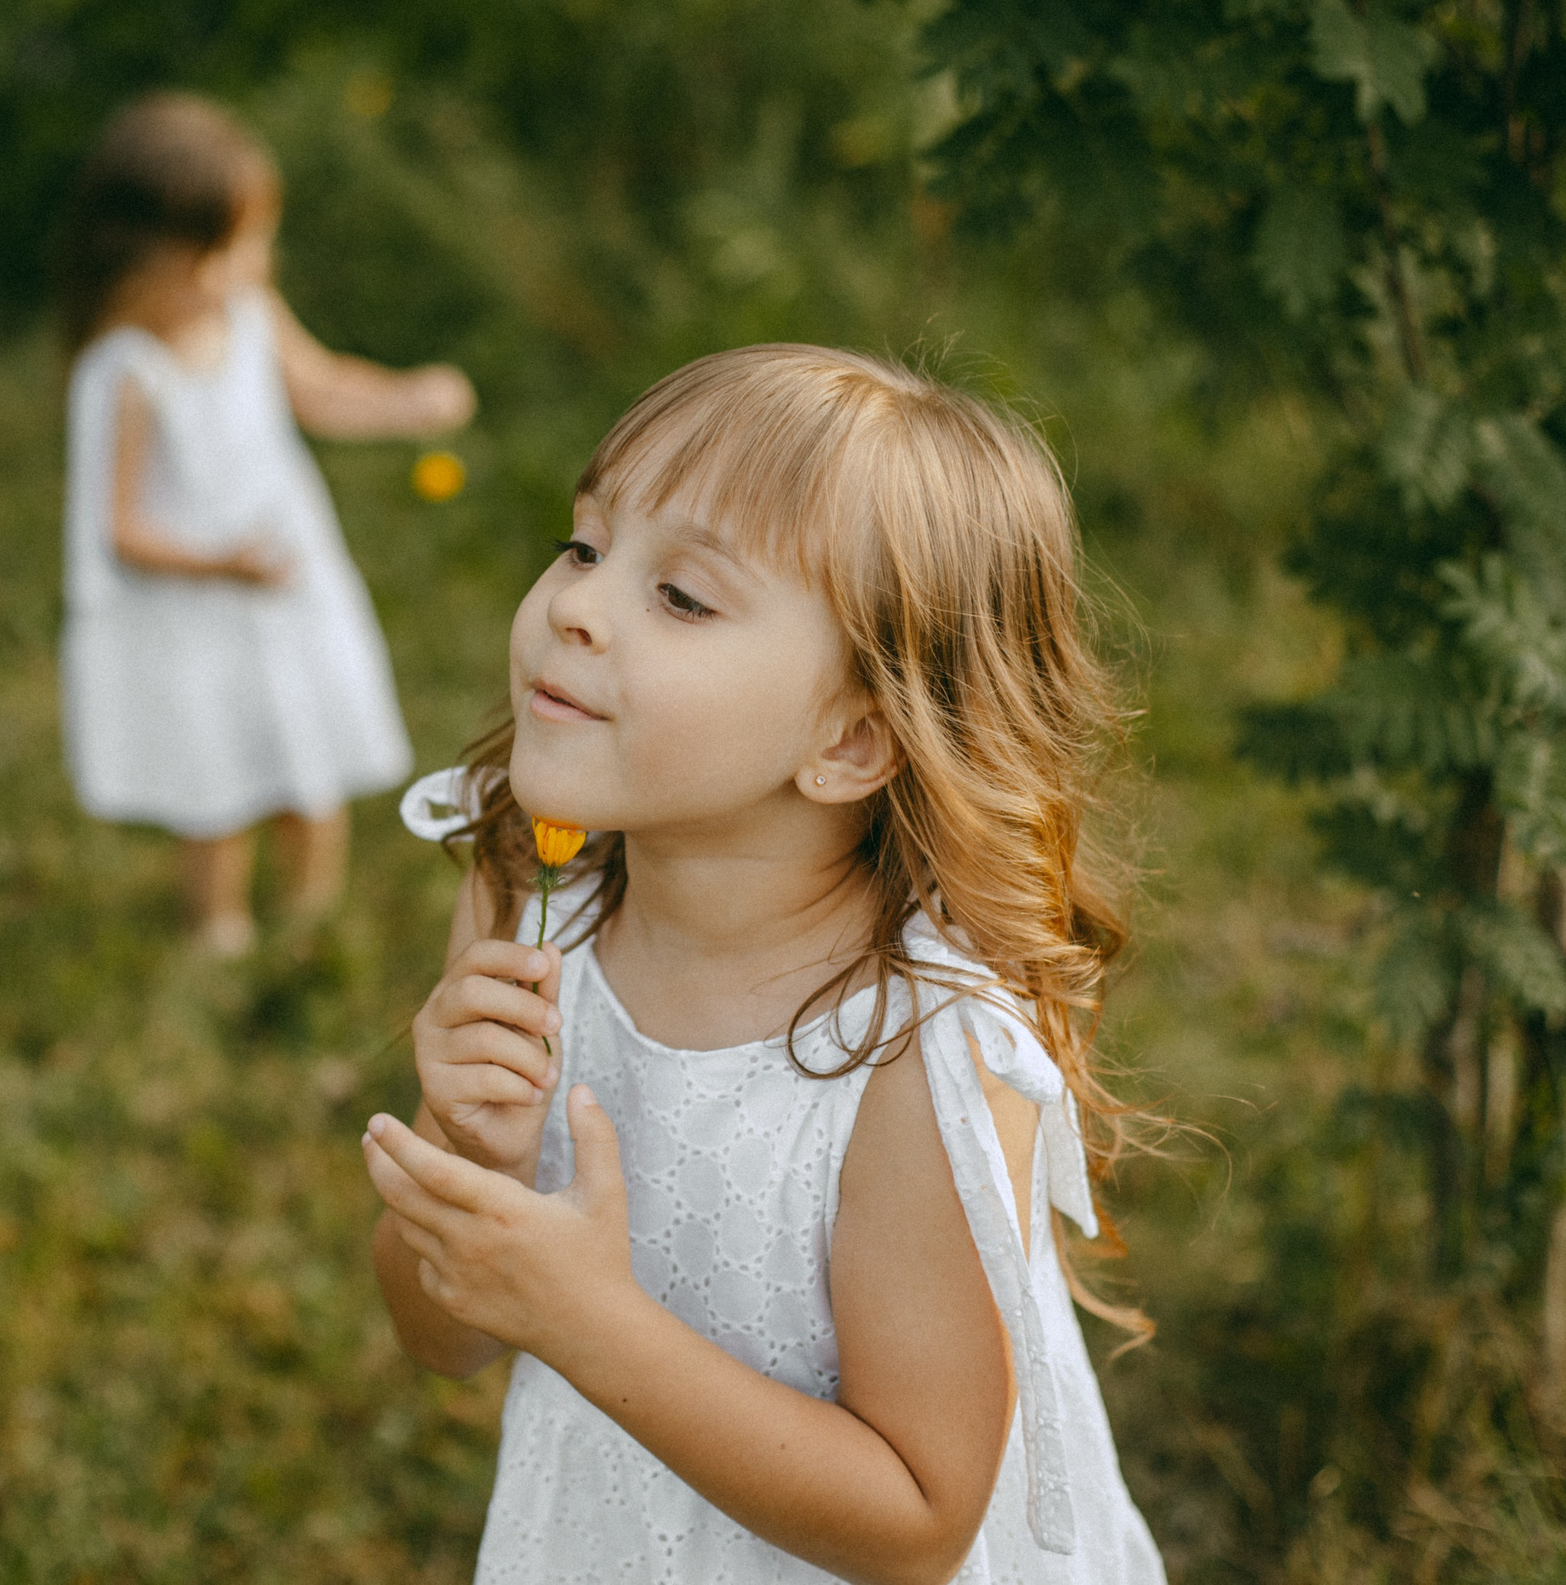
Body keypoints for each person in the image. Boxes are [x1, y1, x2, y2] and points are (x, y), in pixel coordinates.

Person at [362, 345, 1165, 1583]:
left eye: (681, 597)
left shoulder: (916, 1049)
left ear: (848, 743)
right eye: (584, 546)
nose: (577, 605)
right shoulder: (530, 900)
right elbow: (442, 1338)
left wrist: (586, 1321)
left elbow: (919, 1523)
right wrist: (478, 1153)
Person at [57, 93, 475, 955]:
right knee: (218, 778)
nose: (245, 266)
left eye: (253, 242)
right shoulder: (127, 372)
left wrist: (403, 400)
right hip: (200, 608)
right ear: (135, 255)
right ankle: (218, 929)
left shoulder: (249, 312)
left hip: (287, 584)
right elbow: (119, 527)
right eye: (219, 251)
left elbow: (318, 388)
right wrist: (220, 566)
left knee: (308, 745)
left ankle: (313, 918)